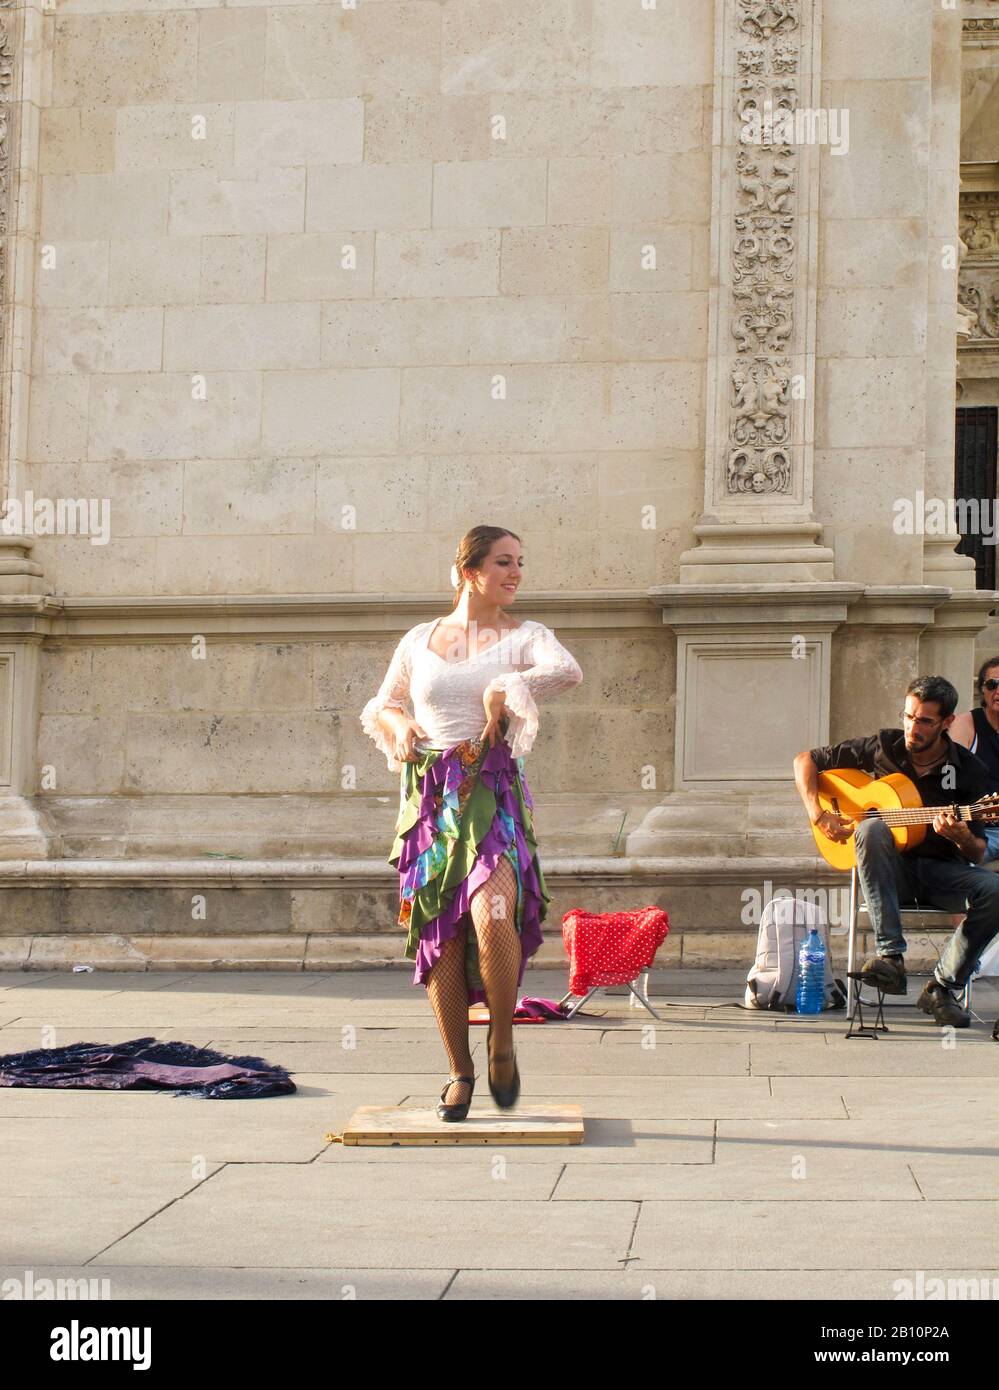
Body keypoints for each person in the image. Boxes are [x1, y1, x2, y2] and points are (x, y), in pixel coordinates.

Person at [360, 525, 583, 1119]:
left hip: (491, 795)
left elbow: (566, 672)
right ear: (469, 571)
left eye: (520, 562)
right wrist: (399, 725)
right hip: (431, 802)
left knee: (491, 917)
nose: (515, 573)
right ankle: (459, 1071)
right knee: (443, 935)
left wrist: (507, 688)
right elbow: (382, 703)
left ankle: (502, 1040)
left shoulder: (526, 636)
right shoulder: (418, 639)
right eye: (503, 562)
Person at [792, 675, 999, 1028]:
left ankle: (943, 988)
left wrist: (961, 835)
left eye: (924, 721)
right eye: (908, 716)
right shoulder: (883, 747)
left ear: (947, 722)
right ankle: (891, 957)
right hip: (887, 875)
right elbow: (805, 760)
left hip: (940, 872)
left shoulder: (967, 770)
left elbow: (978, 852)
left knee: (995, 891)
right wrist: (819, 813)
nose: (912, 728)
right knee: (872, 827)